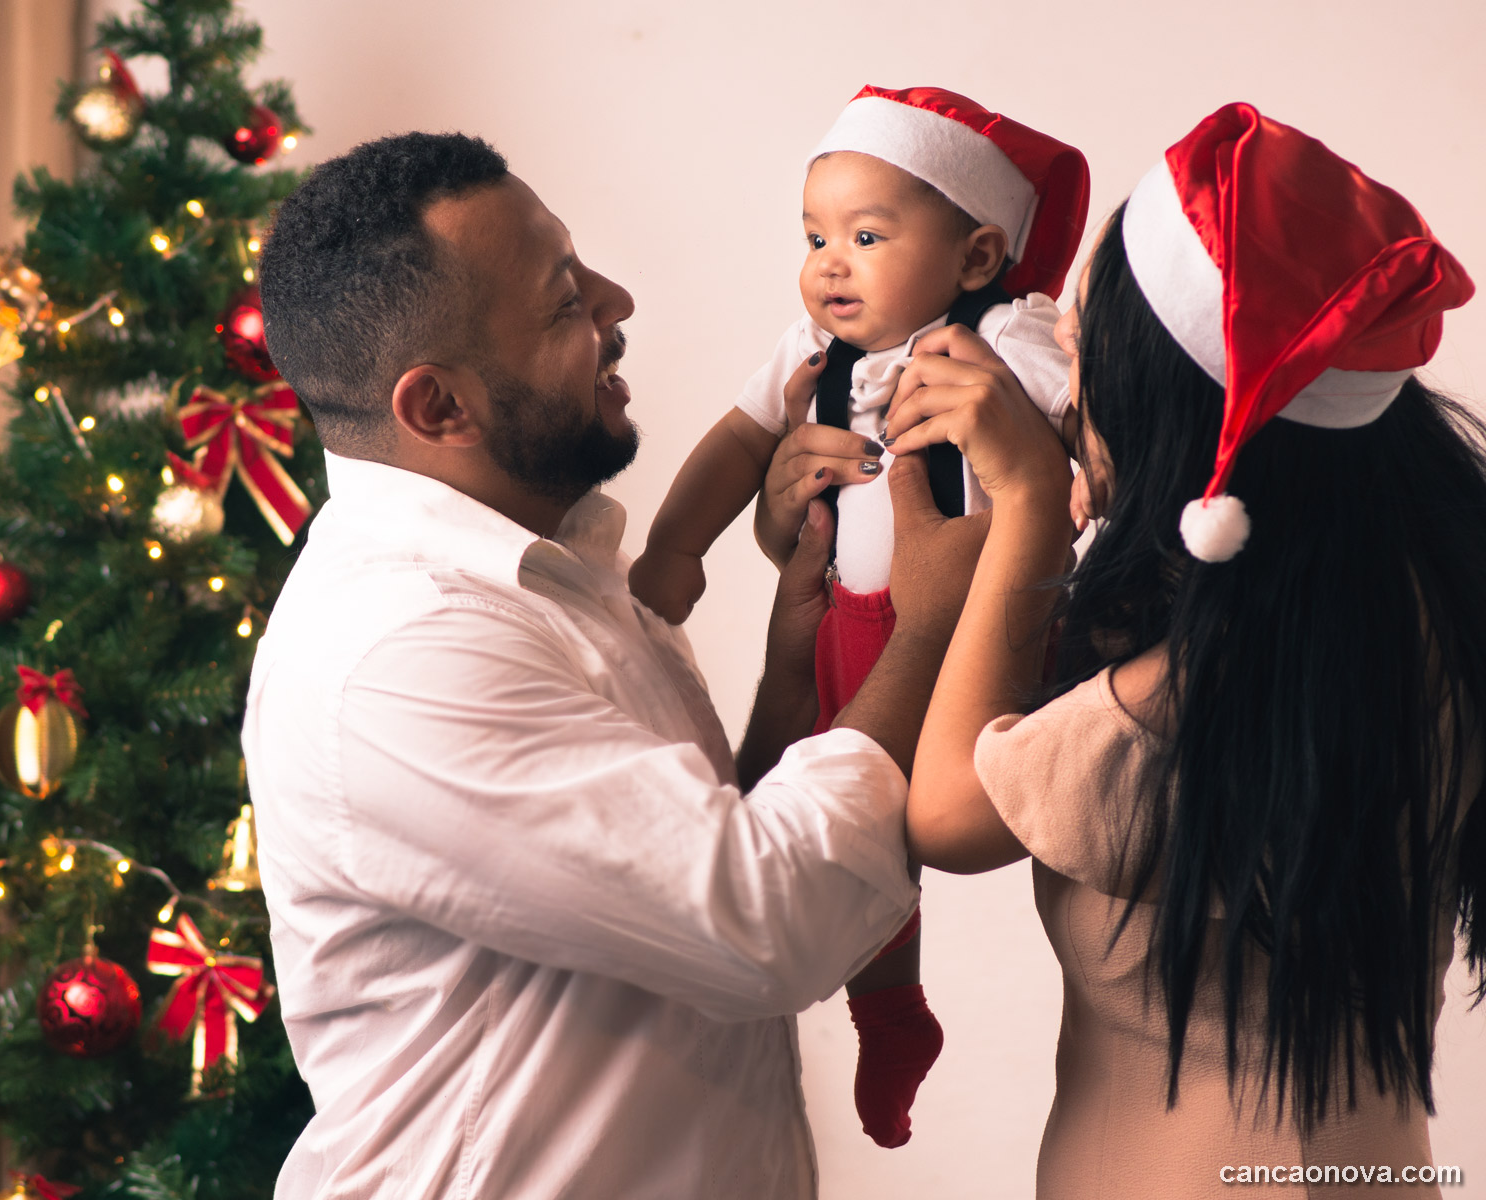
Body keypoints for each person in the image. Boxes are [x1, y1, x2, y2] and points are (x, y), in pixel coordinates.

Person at [243, 131, 985, 1200]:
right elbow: (762, 918)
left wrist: (792, 674)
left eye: (579, 265)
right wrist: (925, 627)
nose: (616, 300)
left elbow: (694, 858)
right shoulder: (403, 653)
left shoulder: (554, 567)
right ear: (438, 407)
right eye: (562, 302)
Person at [887, 103, 1484, 1197]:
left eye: (1078, 354)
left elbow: (943, 816)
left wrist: (1024, 500)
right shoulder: (1417, 604)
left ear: (1175, 419)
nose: (1063, 396)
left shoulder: (1185, 705)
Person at [628, 84, 1089, 1147]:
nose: (828, 261)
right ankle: (889, 1014)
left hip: (985, 622)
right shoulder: (809, 353)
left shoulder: (1005, 336)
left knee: (962, 807)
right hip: (853, 616)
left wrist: (1072, 472)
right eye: (814, 235)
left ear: (975, 257)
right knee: (845, 817)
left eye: (866, 235)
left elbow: (1083, 422)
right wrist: (671, 547)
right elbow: (737, 442)